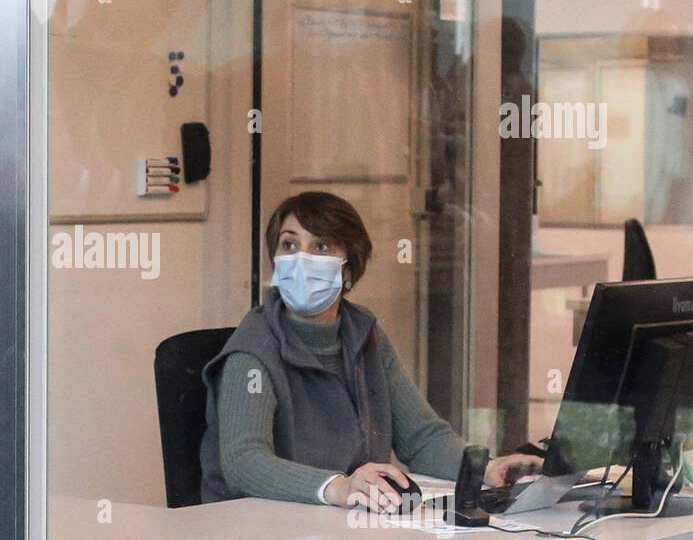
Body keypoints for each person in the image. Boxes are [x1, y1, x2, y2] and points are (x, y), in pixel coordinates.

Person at [199, 191, 541, 510]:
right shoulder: (253, 350)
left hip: (344, 527)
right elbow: (243, 462)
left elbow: (421, 439)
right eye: (289, 245)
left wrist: (485, 468)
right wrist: (338, 488)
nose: (301, 259)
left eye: (320, 247)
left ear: (349, 269)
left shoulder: (364, 335)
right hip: (261, 534)